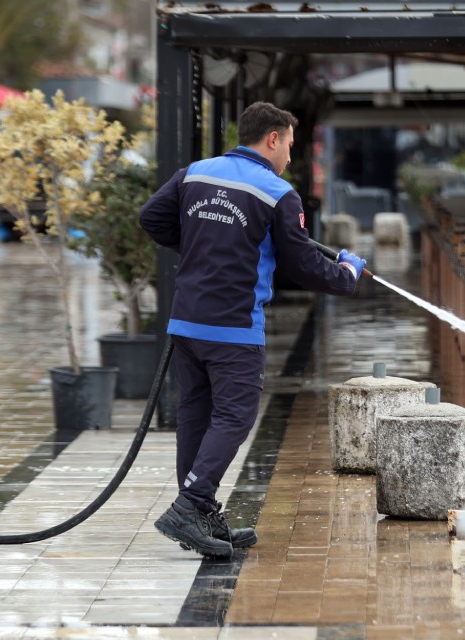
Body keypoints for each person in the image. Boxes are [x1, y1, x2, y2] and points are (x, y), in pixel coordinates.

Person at [140, 101, 367, 558]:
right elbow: (303, 264)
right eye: (288, 145)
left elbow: (152, 218)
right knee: (235, 416)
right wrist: (347, 274)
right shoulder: (277, 192)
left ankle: (200, 513)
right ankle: (191, 504)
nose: (289, 156)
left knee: (195, 416)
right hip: (234, 327)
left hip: (188, 322)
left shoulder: (195, 173)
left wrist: (205, 244)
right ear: (272, 139)